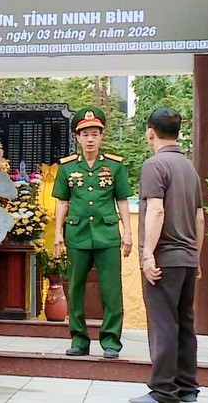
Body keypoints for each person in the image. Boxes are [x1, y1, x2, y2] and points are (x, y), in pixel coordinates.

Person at [129, 108, 203, 403]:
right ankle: (187, 389)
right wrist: (196, 256)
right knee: (185, 324)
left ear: (150, 131)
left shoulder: (154, 165)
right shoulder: (190, 168)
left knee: (163, 324)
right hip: (186, 258)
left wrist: (148, 255)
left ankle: (162, 390)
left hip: (164, 258)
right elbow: (199, 218)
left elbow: (156, 210)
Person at [52, 106, 133, 360]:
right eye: (85, 134)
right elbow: (62, 203)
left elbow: (122, 201)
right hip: (77, 234)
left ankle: (111, 341)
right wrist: (58, 234)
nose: (90, 139)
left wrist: (127, 233)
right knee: (75, 287)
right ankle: (78, 339)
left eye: (94, 134)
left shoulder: (115, 166)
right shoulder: (66, 168)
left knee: (111, 289)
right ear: (77, 137)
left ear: (102, 136)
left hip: (107, 233)